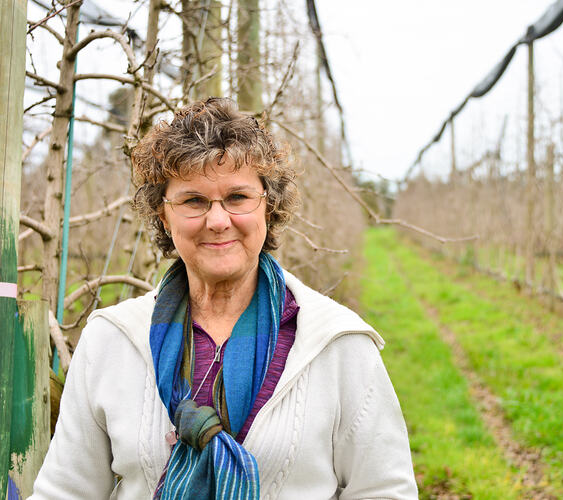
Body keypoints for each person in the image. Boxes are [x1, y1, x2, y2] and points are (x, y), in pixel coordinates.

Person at [30, 97, 418, 499]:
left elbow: (385, 489)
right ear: (164, 215)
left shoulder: (338, 344)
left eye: (237, 198)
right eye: (193, 200)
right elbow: (65, 490)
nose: (218, 221)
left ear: (268, 206)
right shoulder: (112, 340)